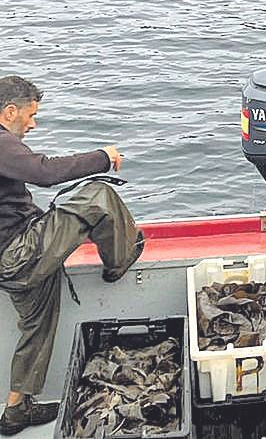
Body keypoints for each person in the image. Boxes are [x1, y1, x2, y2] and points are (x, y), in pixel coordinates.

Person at [0, 76, 144, 435]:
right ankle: (119, 262)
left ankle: (15, 411)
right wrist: (102, 157)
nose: (33, 124)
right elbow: (43, 172)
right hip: (16, 254)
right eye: (30, 116)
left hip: (12, 258)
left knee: (38, 325)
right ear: (9, 111)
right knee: (97, 196)